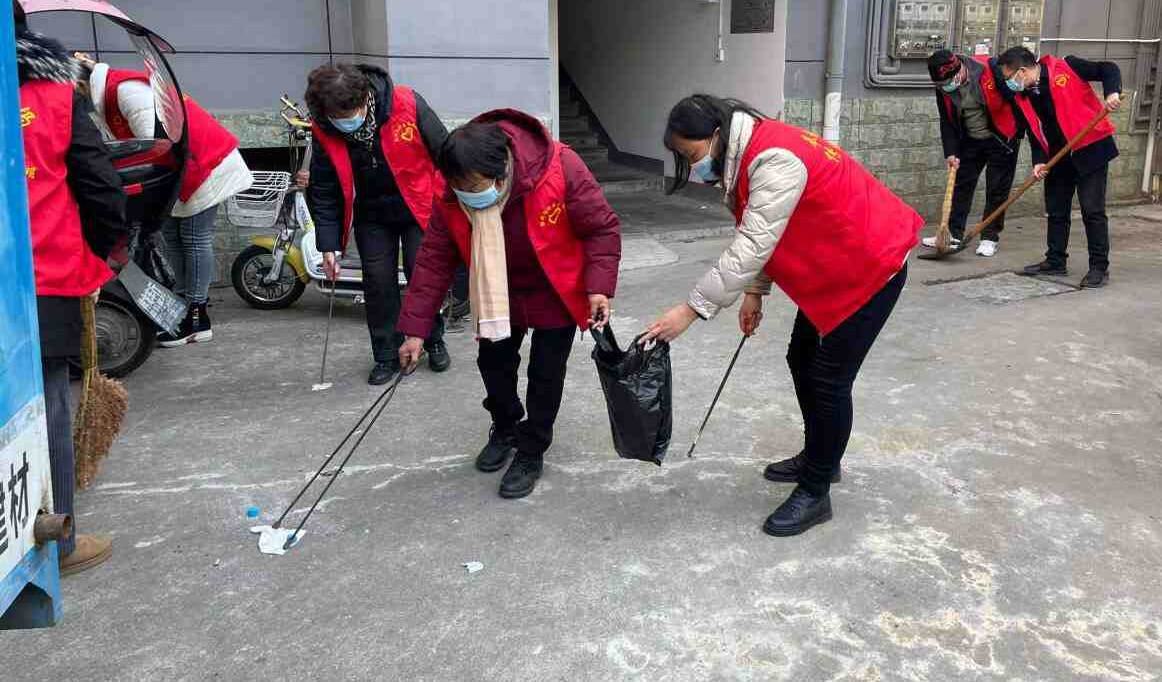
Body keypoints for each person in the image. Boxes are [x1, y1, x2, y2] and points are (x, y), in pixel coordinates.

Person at [643, 96, 922, 537]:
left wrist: (690, 310)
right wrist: (755, 292)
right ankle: (820, 456)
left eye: (692, 155)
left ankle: (816, 489)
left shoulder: (773, 158)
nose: (693, 167)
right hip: (835, 267)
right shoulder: (747, 150)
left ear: (715, 135)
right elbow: (765, 228)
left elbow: (753, 244)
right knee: (801, 358)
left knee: (829, 381)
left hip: (871, 265)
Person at [397, 109, 621, 500]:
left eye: (474, 187)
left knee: (545, 373)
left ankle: (531, 450)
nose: (467, 195)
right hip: (495, 290)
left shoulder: (560, 166)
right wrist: (415, 331)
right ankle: (505, 427)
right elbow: (434, 259)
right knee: (493, 364)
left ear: (503, 172)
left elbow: (601, 228)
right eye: (459, 187)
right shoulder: (451, 190)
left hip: (553, 286)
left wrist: (598, 288)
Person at [16, 10, 127, 575]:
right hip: (44, 274)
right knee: (49, 406)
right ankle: (57, 542)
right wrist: (108, 248)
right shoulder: (55, 95)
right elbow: (99, 182)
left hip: (35, 275)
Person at [76, 54, 252, 346]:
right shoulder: (110, 94)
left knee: (195, 238)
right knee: (171, 236)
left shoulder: (126, 92)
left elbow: (156, 146)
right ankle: (181, 307)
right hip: (181, 167)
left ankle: (197, 318)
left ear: (82, 86)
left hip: (204, 164)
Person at [306, 63, 453, 385]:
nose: (345, 123)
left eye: (350, 114)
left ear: (365, 99)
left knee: (422, 273)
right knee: (377, 281)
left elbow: (446, 153)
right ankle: (385, 354)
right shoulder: (325, 128)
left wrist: (452, 203)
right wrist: (328, 244)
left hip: (418, 205)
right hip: (371, 213)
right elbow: (324, 188)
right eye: (337, 117)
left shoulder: (406, 103)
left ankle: (432, 339)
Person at [994, 46, 1123, 289]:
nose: (1008, 83)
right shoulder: (1024, 96)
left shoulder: (1067, 67)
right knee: (1056, 210)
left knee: (1092, 211)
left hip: (1090, 148)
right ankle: (1055, 260)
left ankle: (1098, 267)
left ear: (1022, 71)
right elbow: (1035, 131)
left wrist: (1112, 93)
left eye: (1009, 77)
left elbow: (1108, 69)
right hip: (1058, 156)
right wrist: (1039, 160)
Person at [925, 48, 1021, 256]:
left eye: (948, 82)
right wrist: (951, 152)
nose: (946, 87)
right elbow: (946, 121)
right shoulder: (943, 87)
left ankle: (989, 237)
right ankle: (952, 234)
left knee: (997, 190)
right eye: (941, 85)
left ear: (959, 70)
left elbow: (1017, 101)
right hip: (971, 139)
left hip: (1001, 139)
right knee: (961, 186)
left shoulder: (990, 70)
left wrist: (1017, 133)